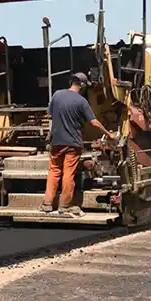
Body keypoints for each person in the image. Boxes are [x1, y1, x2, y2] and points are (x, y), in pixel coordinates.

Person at [42, 72, 116, 215]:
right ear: (82, 86)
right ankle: (64, 206)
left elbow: (50, 115)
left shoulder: (57, 95)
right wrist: (109, 134)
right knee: (68, 174)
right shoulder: (81, 101)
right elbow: (93, 122)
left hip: (56, 142)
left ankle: (47, 203)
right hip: (73, 144)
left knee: (54, 172)